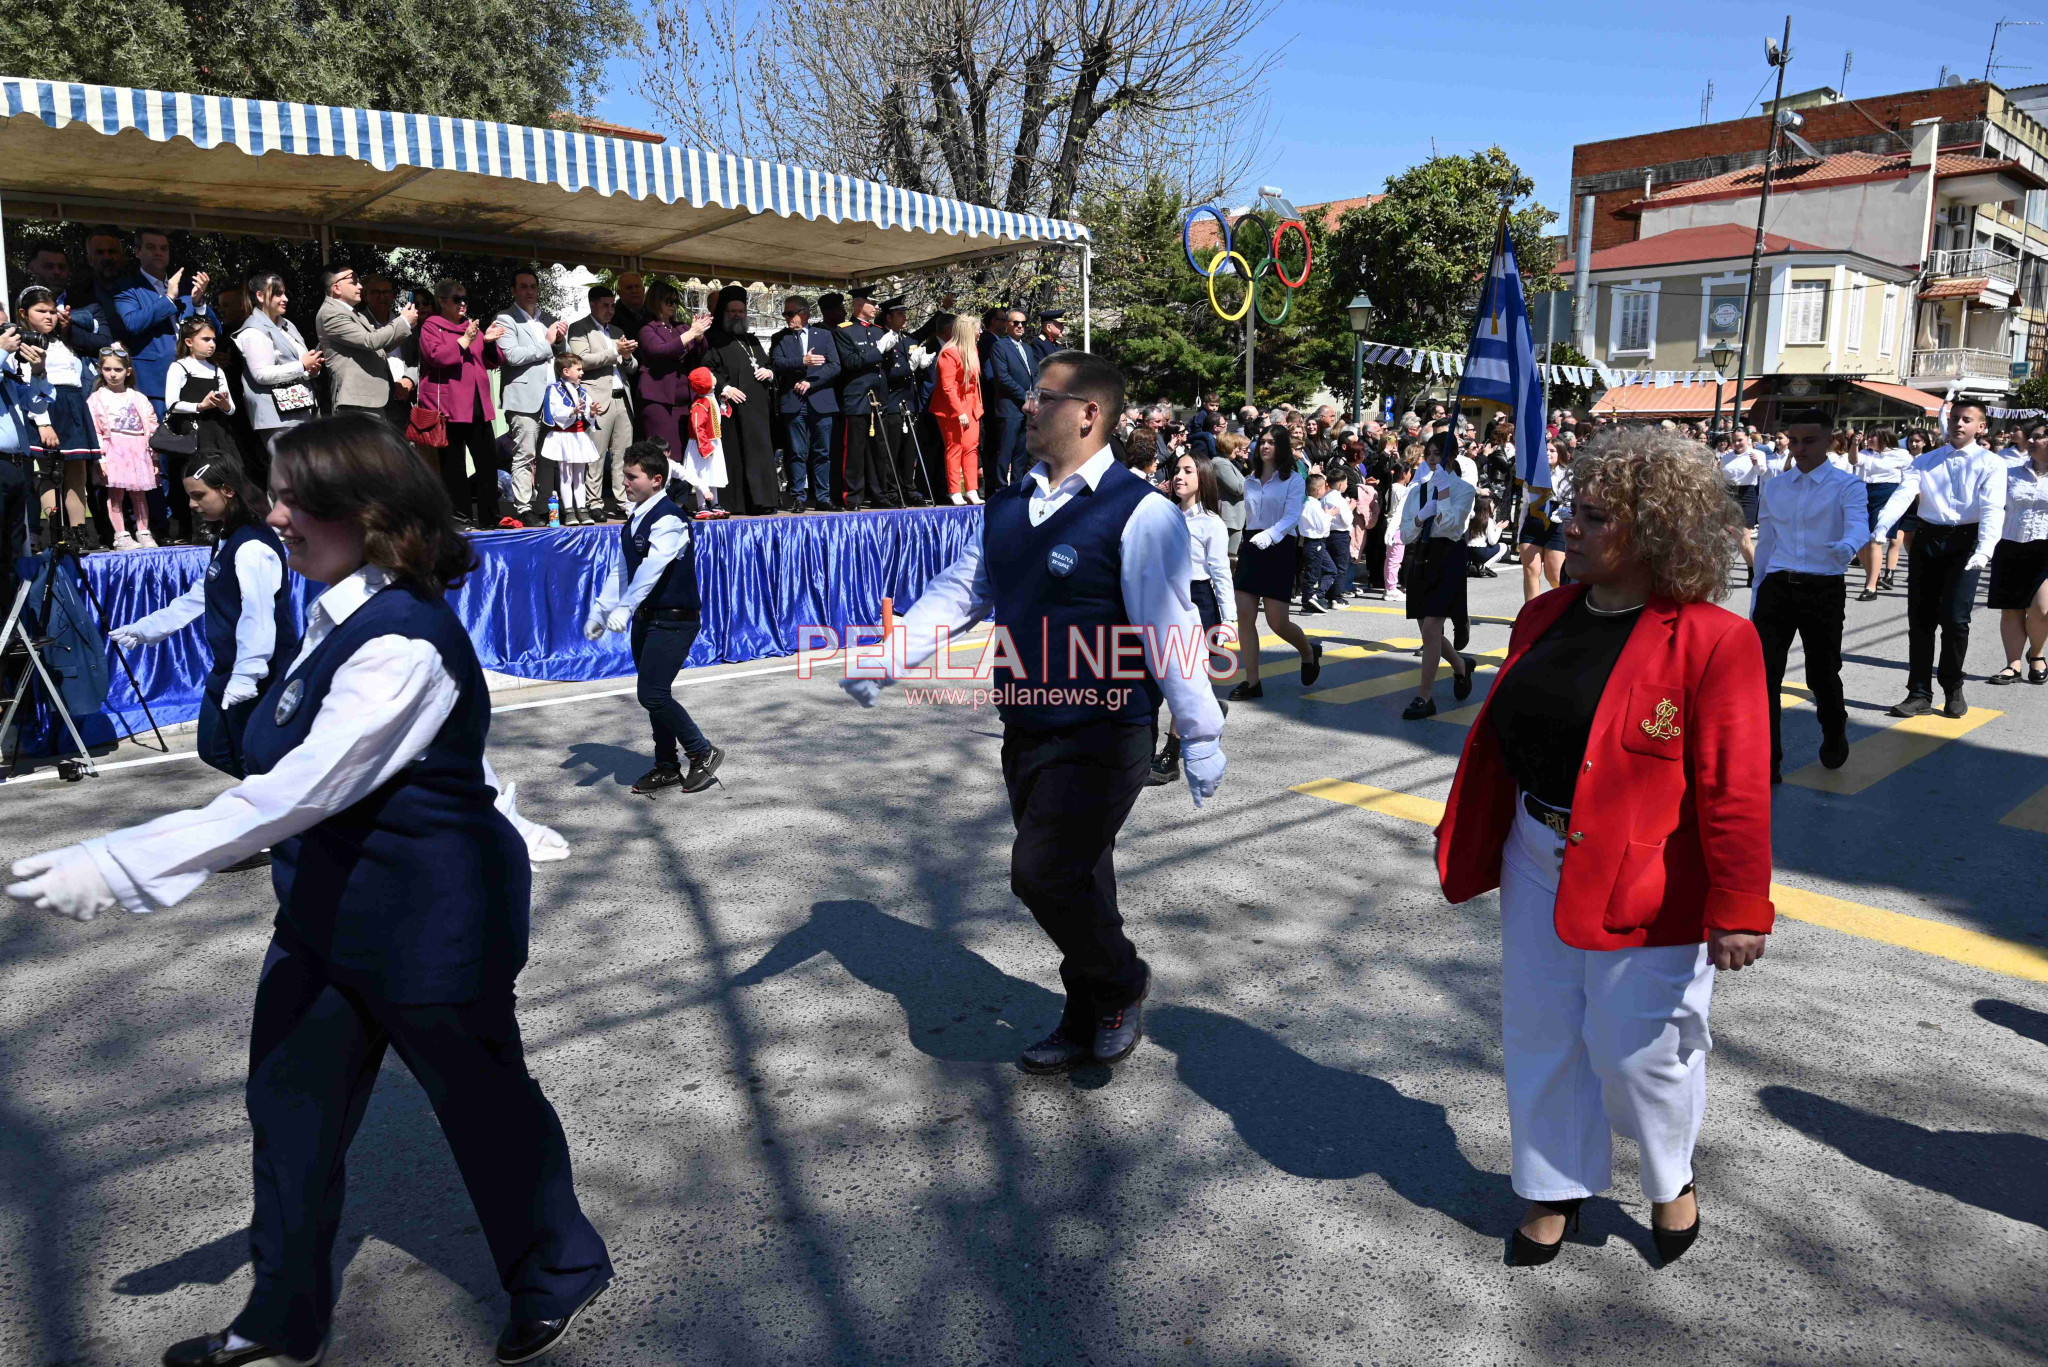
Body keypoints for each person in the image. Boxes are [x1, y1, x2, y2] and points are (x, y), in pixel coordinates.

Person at [6, 414, 609, 1367]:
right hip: (327, 916)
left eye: (293, 496)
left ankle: (557, 1268)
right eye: (275, 492)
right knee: (289, 1117)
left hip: (433, 925)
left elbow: (298, 787)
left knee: (486, 1111)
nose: (273, 511)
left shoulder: (402, 642)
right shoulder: (330, 613)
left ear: (364, 514)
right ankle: (282, 1315)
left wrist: (129, 861)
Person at [1434, 425, 1773, 1269]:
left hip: (1646, 877)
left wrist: (1740, 903)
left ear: (1652, 532)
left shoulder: (1715, 641)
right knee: (1541, 1033)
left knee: (1638, 1051)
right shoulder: (1542, 615)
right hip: (1533, 852)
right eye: (1567, 510)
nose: (1566, 528)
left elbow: (1735, 789)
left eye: (1591, 516)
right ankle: (1553, 1188)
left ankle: (1669, 1176)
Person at [838, 350, 1227, 1074]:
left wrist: (1200, 734)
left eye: (1041, 398)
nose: (1024, 407)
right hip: (1027, 729)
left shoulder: (1142, 515)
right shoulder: (1010, 505)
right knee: (1084, 875)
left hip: (1108, 730)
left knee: (1041, 872)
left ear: (1088, 414)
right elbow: (961, 592)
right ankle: (1086, 1013)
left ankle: (1119, 980)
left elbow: (1170, 631)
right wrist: (888, 658)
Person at [109, 455, 297, 776]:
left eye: (199, 496)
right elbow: (203, 592)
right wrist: (149, 628)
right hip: (227, 669)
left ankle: (284, 814)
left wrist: (248, 673)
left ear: (227, 490)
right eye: (190, 497)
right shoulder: (226, 536)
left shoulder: (253, 544)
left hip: (260, 674)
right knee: (215, 750)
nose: (194, 505)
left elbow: (259, 614)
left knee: (256, 760)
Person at [585, 441, 725, 794]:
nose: (625, 482)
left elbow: (651, 569)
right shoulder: (635, 520)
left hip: (675, 618)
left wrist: (625, 607)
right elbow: (622, 572)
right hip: (647, 619)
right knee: (654, 694)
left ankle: (702, 752)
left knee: (653, 693)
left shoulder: (669, 519)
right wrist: (600, 611)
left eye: (632, 476)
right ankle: (666, 766)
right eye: (624, 475)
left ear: (657, 479)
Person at [1868, 398, 2008, 718]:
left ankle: (1953, 685)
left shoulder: (1991, 463)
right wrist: (1881, 526)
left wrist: (1985, 549)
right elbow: (1903, 494)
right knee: (1921, 621)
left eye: (1967, 420)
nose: (1959, 424)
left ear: (1980, 427)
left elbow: (1991, 508)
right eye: (1955, 418)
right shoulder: (1925, 461)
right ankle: (1918, 692)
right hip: (1929, 539)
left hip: (1967, 542)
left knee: (1956, 621)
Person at [1750, 408, 1867, 781]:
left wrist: (1847, 546)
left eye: (1809, 441)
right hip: (1777, 587)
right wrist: (1757, 596)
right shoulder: (1775, 486)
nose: (1799, 448)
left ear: (1830, 441)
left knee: (1822, 673)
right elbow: (1766, 544)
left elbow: (1859, 526)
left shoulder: (1847, 485)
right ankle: (1770, 758)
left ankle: (1834, 728)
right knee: (1764, 676)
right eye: (1794, 440)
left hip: (1823, 589)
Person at [1149, 450, 1235, 786]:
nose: (1180, 476)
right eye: (1177, 470)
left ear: (1202, 478)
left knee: (1184, 681)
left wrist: (1230, 622)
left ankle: (1170, 755)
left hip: (1198, 604)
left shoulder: (1211, 522)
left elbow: (1220, 574)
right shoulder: (1161, 515)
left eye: (1188, 470)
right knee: (1164, 678)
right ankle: (1210, 710)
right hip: (1162, 602)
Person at [1229, 426, 1320, 700]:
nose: (1265, 446)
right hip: (1252, 545)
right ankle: (1252, 681)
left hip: (1280, 546)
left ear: (1281, 447)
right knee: (1245, 616)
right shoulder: (1249, 480)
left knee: (1277, 622)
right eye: (1262, 442)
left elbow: (1293, 516)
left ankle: (1308, 652)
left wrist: (1269, 536)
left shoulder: (1293, 479)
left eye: (1271, 442)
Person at [416, 277, 506, 527]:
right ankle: (460, 517)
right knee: (453, 468)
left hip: (478, 406)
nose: (463, 303)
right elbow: (436, 357)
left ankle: (491, 518)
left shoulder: (471, 327)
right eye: (457, 299)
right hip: (450, 408)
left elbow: (492, 362)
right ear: (442, 301)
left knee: (487, 465)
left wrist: (488, 342)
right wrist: (464, 341)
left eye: (465, 298)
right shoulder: (432, 326)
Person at [11, 286, 100, 537]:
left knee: (77, 472)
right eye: (41, 311)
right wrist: (42, 422)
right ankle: (56, 530)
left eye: (52, 311)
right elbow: (29, 382)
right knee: (50, 472)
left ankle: (78, 530)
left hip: (73, 403)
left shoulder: (64, 339)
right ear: (24, 313)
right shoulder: (21, 344)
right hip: (46, 405)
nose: (48, 316)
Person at [1398, 438, 1478, 720]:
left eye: (1438, 454)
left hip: (1448, 559)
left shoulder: (1464, 490)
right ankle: (1460, 666)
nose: (1432, 459)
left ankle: (1424, 697)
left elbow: (1453, 527)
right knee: (1428, 630)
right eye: (1428, 454)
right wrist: (1420, 517)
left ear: (1453, 455)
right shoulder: (1417, 491)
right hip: (1422, 558)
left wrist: (1443, 495)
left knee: (1432, 628)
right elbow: (1406, 534)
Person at [496, 268, 568, 527]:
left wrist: (560, 341)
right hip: (523, 398)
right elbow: (512, 356)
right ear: (513, 291)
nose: (529, 291)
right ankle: (523, 507)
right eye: (523, 286)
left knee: (548, 457)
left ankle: (543, 508)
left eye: (533, 286)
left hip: (551, 399)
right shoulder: (505, 319)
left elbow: (564, 356)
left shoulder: (547, 318)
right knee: (524, 454)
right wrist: (548, 343)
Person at [704, 284, 778, 515]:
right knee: (737, 456)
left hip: (758, 411)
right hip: (732, 412)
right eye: (732, 312)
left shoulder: (752, 340)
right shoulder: (713, 340)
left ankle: (763, 501)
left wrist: (770, 372)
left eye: (741, 311)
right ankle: (738, 503)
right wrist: (725, 388)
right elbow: (706, 370)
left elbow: (767, 364)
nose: (737, 315)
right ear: (723, 314)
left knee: (760, 455)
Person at [566, 285, 639, 520]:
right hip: (597, 399)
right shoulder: (580, 328)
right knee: (595, 455)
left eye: (612, 305)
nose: (610, 310)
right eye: (605, 305)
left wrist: (627, 358)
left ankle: (623, 501)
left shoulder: (617, 330)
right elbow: (581, 360)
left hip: (621, 397)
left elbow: (633, 365)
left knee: (623, 455)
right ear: (592, 305)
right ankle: (594, 502)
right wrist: (614, 352)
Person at [164, 319, 240, 544]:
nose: (212, 344)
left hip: (217, 431)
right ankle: (197, 529)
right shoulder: (179, 367)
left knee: (223, 476)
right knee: (197, 477)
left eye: (214, 339)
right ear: (189, 341)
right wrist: (200, 406)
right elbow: (172, 403)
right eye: (205, 339)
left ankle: (224, 524)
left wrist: (223, 404)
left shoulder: (216, 370)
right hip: (193, 431)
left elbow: (231, 407)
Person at [235, 273, 325, 461]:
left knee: (305, 474)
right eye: (277, 294)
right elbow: (261, 374)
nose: (285, 299)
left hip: (302, 410)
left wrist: (310, 369)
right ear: (260, 296)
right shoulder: (253, 330)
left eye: (284, 293)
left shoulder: (287, 325)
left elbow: (300, 363)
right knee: (287, 474)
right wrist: (301, 365)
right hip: (277, 416)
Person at [1986, 419, 2048, 687]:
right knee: (2011, 609)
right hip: (2010, 544)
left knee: (2042, 609)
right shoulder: (2010, 472)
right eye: (2030, 437)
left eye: (2038, 437)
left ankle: (2036, 654)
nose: (2030, 441)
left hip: (2045, 546)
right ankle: (2013, 664)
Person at [314, 265, 416, 420]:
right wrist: (404, 322)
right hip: (357, 402)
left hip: (371, 399)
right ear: (337, 288)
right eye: (353, 282)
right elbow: (371, 341)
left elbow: (382, 345)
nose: (360, 286)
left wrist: (404, 325)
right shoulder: (331, 313)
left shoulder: (351, 312)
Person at [767, 295, 840, 512]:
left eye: (791, 313)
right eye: (785, 314)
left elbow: (835, 366)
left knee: (822, 451)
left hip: (821, 401)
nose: (787, 318)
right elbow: (776, 363)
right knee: (797, 452)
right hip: (794, 402)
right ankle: (798, 496)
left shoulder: (824, 335)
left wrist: (811, 382)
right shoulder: (780, 337)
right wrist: (802, 361)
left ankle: (823, 497)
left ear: (804, 313)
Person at [830, 286, 897, 511]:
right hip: (857, 398)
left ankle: (880, 494)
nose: (876, 307)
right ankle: (854, 497)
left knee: (880, 451)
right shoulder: (844, 330)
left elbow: (886, 365)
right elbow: (850, 362)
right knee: (855, 452)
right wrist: (878, 350)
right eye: (872, 302)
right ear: (859, 304)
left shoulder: (879, 330)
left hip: (878, 398)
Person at [88, 348, 161, 548]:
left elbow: (152, 427)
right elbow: (95, 429)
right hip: (113, 450)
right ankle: (121, 535)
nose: (112, 374)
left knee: (139, 493)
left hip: (138, 449)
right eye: (107, 369)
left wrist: (154, 457)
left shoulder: (138, 397)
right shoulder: (97, 398)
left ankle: (144, 532)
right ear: (100, 370)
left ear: (128, 371)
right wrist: (100, 458)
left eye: (118, 369)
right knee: (115, 494)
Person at [635, 283, 712, 471]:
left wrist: (700, 337)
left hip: (683, 400)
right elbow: (660, 351)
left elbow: (700, 353)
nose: (673, 305)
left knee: (683, 451)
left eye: (675, 301)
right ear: (656, 301)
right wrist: (690, 334)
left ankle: (679, 499)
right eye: (668, 301)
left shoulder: (681, 327)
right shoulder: (647, 328)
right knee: (661, 453)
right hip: (658, 399)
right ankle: (659, 495)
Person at [874, 296, 929, 507]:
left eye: (905, 313)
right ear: (888, 317)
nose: (904, 317)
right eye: (899, 314)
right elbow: (889, 373)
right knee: (892, 450)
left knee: (909, 451)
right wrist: (910, 368)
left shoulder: (907, 340)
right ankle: (893, 489)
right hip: (893, 401)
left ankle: (909, 487)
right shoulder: (883, 340)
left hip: (909, 402)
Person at [1850, 427, 1910, 602]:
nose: (1868, 440)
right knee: (1861, 542)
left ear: (1884, 437)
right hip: (1864, 494)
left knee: (1875, 540)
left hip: (1888, 495)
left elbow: (1910, 478)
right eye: (1867, 437)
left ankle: (1870, 586)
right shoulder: (1865, 453)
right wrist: (1854, 444)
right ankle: (1873, 577)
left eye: (1872, 437)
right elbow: (1853, 461)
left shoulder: (1901, 455)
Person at [930, 312, 984, 505]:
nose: (980, 333)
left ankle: (971, 489)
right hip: (951, 408)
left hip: (971, 405)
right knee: (955, 448)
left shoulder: (972, 350)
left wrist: (975, 408)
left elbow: (974, 383)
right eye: (977, 329)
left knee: (971, 448)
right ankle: (954, 490)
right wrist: (959, 411)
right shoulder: (949, 352)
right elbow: (948, 387)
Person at [540, 355, 601, 525]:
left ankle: (581, 508)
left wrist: (592, 412)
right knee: (565, 475)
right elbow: (555, 409)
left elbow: (587, 412)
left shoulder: (582, 390)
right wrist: (572, 411)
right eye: (578, 369)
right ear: (566, 371)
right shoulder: (555, 389)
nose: (582, 372)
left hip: (579, 437)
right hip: (563, 436)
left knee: (580, 475)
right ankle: (568, 510)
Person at [983, 307, 1035, 488]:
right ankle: (1000, 491)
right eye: (1016, 323)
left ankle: (1017, 491)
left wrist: (1034, 396)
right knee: (1005, 453)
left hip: (1026, 409)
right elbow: (1002, 377)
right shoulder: (999, 346)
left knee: (1021, 455)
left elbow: (1033, 374)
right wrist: (1025, 396)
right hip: (1009, 407)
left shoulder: (1027, 348)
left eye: (1023, 323)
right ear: (1007, 325)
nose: (1020, 326)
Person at [1517, 442, 1570, 603]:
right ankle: (1530, 613)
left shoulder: (1568, 475)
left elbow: (1570, 503)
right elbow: (1525, 505)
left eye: (1552, 450)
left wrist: (1558, 515)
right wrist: (1519, 532)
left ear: (1560, 453)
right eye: (1545, 450)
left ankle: (1566, 608)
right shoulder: (1530, 475)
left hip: (1556, 524)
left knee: (1554, 575)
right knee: (1531, 571)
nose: (1548, 453)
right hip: (1533, 523)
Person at [1719, 428, 1767, 582]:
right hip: (1729, 495)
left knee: (1744, 539)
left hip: (1747, 495)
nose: (1737, 443)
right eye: (1734, 440)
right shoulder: (1727, 457)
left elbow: (1761, 473)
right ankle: (1751, 570)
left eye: (1740, 440)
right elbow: (1721, 478)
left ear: (1748, 438)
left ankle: (1756, 573)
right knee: (1733, 539)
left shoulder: (1757, 454)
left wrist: (1756, 463)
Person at [679, 366, 727, 513]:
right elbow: (697, 426)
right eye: (710, 375)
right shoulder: (700, 403)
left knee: (713, 473)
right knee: (702, 475)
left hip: (713, 442)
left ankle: (715, 503)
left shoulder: (711, 397)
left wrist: (723, 403)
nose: (713, 375)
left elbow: (717, 416)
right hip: (702, 444)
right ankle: (702, 505)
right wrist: (705, 447)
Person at [1296, 470, 1339, 615]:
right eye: (1324, 487)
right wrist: (1329, 515)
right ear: (1318, 489)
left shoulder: (1310, 503)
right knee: (1311, 574)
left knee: (1331, 569)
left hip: (1317, 543)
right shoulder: (1312, 505)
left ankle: (1317, 596)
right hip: (1314, 543)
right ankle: (1307, 603)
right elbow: (1321, 527)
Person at [1383, 448, 1419, 603]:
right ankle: (1390, 588)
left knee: (1391, 559)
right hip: (1397, 527)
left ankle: (1390, 587)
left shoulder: (1391, 488)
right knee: (1394, 560)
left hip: (1391, 524)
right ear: (1404, 474)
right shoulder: (1402, 490)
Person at [1211, 432, 1247, 556]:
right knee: (1229, 557)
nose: (1238, 450)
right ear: (1227, 446)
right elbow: (1237, 488)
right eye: (1236, 447)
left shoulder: (1226, 462)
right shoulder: (1220, 463)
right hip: (1229, 518)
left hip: (1234, 518)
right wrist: (1255, 480)